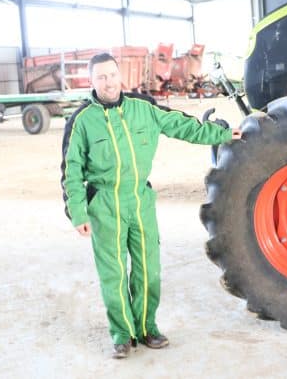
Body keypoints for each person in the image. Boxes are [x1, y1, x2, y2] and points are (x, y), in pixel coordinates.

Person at [61, 52, 241, 359]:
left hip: (140, 201)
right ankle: (122, 334)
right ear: (91, 81)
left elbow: (183, 127)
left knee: (148, 270)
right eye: (101, 77)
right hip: (104, 205)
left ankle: (147, 328)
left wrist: (222, 134)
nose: (108, 82)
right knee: (114, 274)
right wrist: (78, 212)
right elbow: (71, 171)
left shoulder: (142, 109)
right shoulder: (82, 122)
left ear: (121, 76)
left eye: (112, 75)